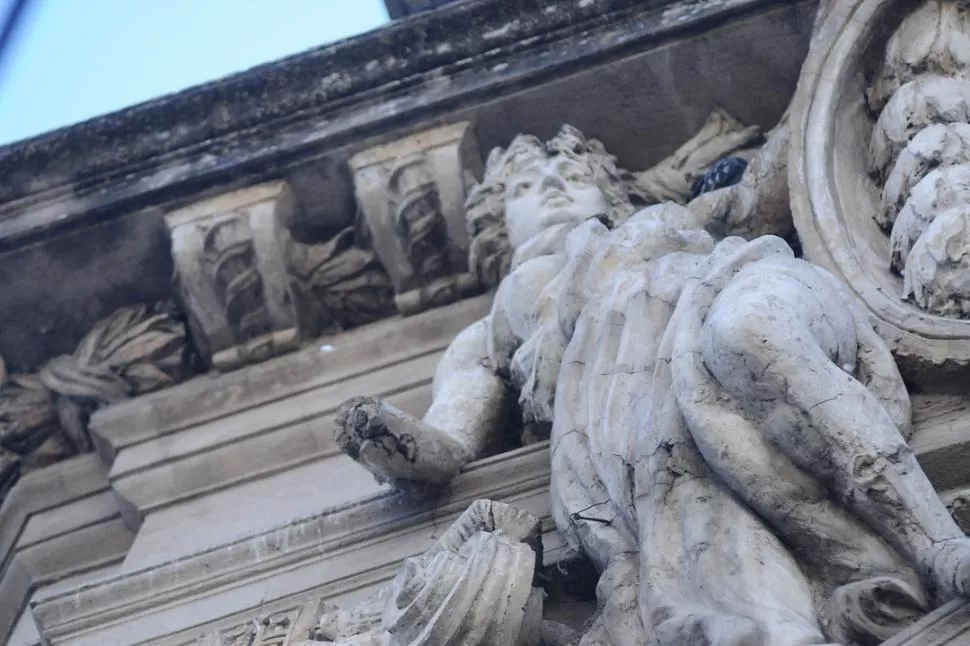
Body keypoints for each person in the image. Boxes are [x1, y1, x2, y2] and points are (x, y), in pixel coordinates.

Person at [335, 124, 970, 644]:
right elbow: (451, 432)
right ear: (494, 221)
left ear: (611, 189)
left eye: (572, 175)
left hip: (737, 282)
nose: (554, 188)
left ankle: (936, 543)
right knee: (671, 473)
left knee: (748, 333)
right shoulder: (505, 318)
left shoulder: (687, 217)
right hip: (627, 406)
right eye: (527, 185)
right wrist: (390, 440)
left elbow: (798, 156)